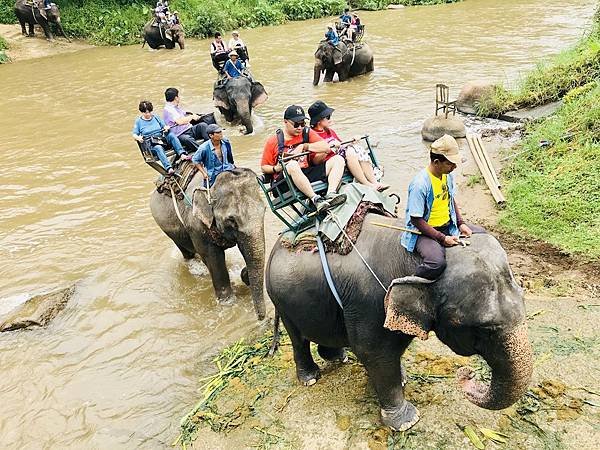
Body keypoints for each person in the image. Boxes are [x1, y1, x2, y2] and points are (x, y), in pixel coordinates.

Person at [401, 135, 475, 281]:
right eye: (450, 164)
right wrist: (442, 238)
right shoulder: (420, 184)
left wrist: (461, 223)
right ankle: (410, 283)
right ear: (436, 162)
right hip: (425, 231)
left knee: (483, 234)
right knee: (436, 263)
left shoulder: (447, 176)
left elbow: (450, 199)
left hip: (448, 224)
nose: (454, 167)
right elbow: (416, 219)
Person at [261, 105, 347, 213]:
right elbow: (264, 167)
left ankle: (331, 195)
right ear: (285, 122)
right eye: (296, 124)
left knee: (338, 159)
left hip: (305, 172)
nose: (300, 128)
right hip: (285, 181)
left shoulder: (306, 133)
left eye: (302, 124)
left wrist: (304, 146)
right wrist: (276, 169)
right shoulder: (273, 141)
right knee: (292, 165)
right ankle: (316, 200)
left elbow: (325, 147)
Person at [308, 100, 388, 192]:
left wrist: (352, 141)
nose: (330, 119)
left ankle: (374, 182)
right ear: (319, 120)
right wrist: (329, 148)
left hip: (340, 158)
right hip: (329, 164)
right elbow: (315, 161)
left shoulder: (329, 131)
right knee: (350, 151)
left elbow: (341, 145)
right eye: (328, 117)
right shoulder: (312, 135)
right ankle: (367, 184)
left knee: (355, 148)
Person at [133, 100, 190, 175]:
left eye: (149, 112)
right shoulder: (138, 122)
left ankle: (182, 154)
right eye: (145, 112)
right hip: (152, 145)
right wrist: (138, 138)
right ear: (142, 112)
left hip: (161, 140)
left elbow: (164, 126)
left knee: (171, 136)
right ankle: (169, 168)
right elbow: (134, 135)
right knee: (158, 148)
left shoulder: (156, 117)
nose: (148, 114)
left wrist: (166, 128)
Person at [162, 87, 210, 154]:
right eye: (178, 96)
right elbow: (180, 121)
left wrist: (194, 115)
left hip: (189, 129)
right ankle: (203, 153)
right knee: (188, 139)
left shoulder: (175, 106)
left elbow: (184, 114)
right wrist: (192, 116)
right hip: (180, 134)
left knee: (203, 126)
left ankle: (210, 146)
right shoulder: (168, 109)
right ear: (176, 98)